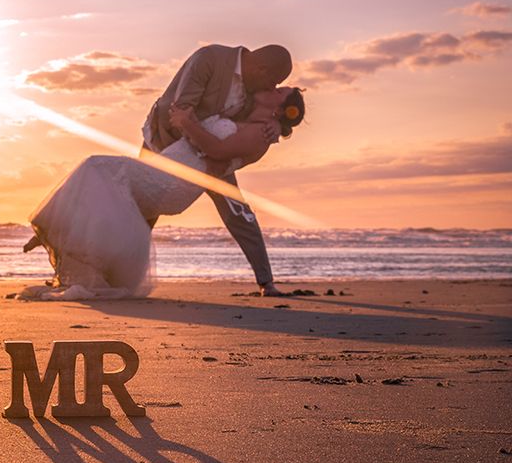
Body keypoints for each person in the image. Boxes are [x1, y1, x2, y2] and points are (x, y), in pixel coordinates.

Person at [21, 86, 305, 300]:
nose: (274, 87)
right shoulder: (243, 112)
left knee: (97, 167)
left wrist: (185, 123)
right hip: (167, 171)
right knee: (102, 184)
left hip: (172, 183)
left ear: (279, 110)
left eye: (281, 91)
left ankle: (49, 228)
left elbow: (216, 151)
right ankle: (55, 232)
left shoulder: (259, 136)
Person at [143, 44, 293, 296]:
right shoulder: (209, 59)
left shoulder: (254, 88)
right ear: (261, 68)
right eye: (273, 81)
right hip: (164, 141)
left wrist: (277, 127)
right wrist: (208, 153)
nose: (272, 88)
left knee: (237, 210)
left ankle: (266, 282)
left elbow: (273, 111)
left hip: (215, 154)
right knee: (143, 209)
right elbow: (179, 111)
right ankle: (109, 272)